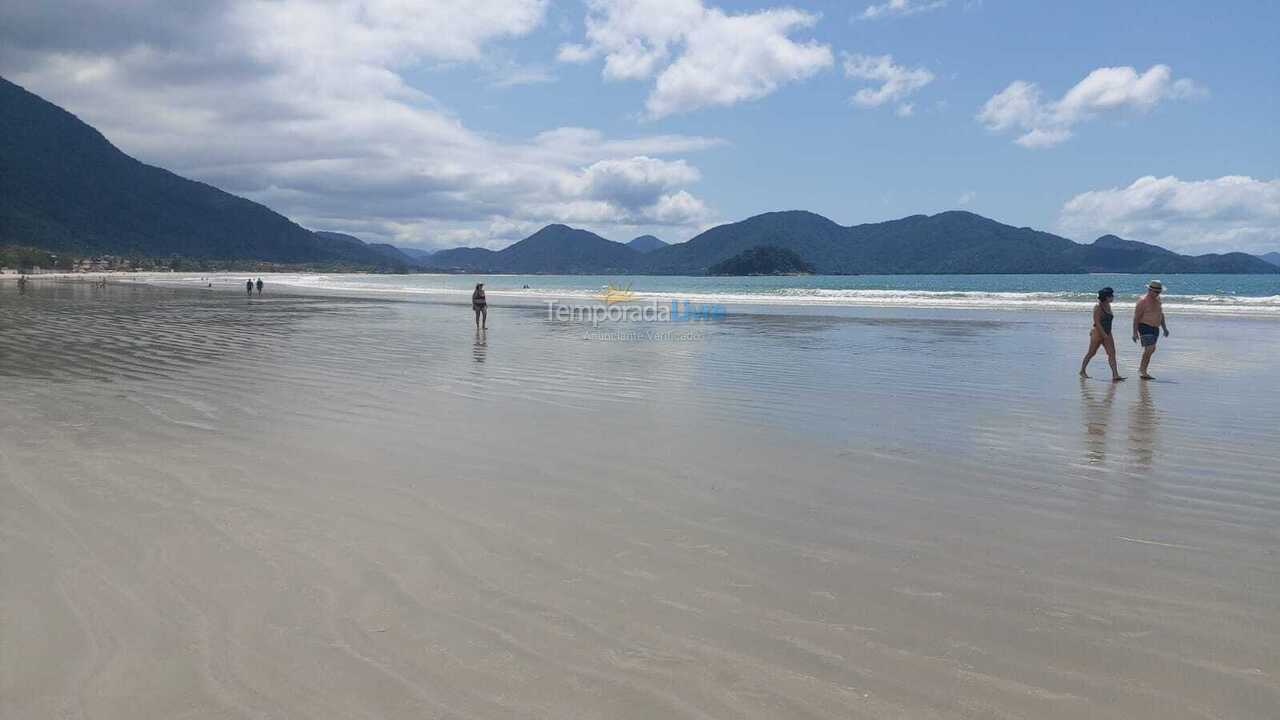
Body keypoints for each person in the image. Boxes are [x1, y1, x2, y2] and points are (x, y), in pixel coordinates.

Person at [1080, 287, 1125, 381]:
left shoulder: (1108, 305)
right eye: (1111, 296)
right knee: (1091, 353)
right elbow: (1097, 322)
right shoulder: (1098, 307)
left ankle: (1115, 375)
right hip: (1098, 333)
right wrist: (1103, 334)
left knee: (1112, 353)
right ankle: (1082, 371)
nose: (1113, 297)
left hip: (1108, 333)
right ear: (1106, 297)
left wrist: (1107, 334)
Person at [1132, 279, 1170, 379]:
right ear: (1150, 290)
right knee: (1150, 348)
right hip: (1144, 326)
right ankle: (1142, 371)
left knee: (1151, 350)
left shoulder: (1158, 300)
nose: (1158, 293)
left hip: (1155, 328)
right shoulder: (1143, 301)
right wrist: (1134, 332)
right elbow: (1136, 318)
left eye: (1159, 292)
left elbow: (1160, 314)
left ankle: (1142, 369)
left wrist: (1165, 328)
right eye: (1156, 292)